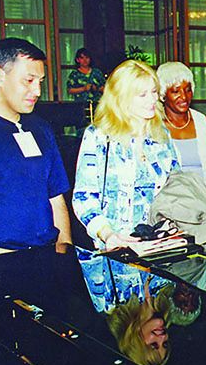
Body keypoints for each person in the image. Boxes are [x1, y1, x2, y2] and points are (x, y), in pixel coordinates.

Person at [0, 38, 71, 257]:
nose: (37, 91)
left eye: (40, 82)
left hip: (45, 256)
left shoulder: (41, 128)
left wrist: (65, 246)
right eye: (28, 80)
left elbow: (55, 195)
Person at [72, 59, 179, 250]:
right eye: (142, 94)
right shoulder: (99, 136)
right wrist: (107, 234)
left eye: (154, 91)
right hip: (115, 247)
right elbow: (84, 197)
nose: (152, 99)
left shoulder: (161, 135)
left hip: (158, 246)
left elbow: (176, 186)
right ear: (121, 98)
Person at [156, 61, 206, 222]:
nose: (184, 97)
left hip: (204, 211)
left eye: (187, 89)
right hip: (168, 214)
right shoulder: (154, 128)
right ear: (163, 95)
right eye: (175, 91)